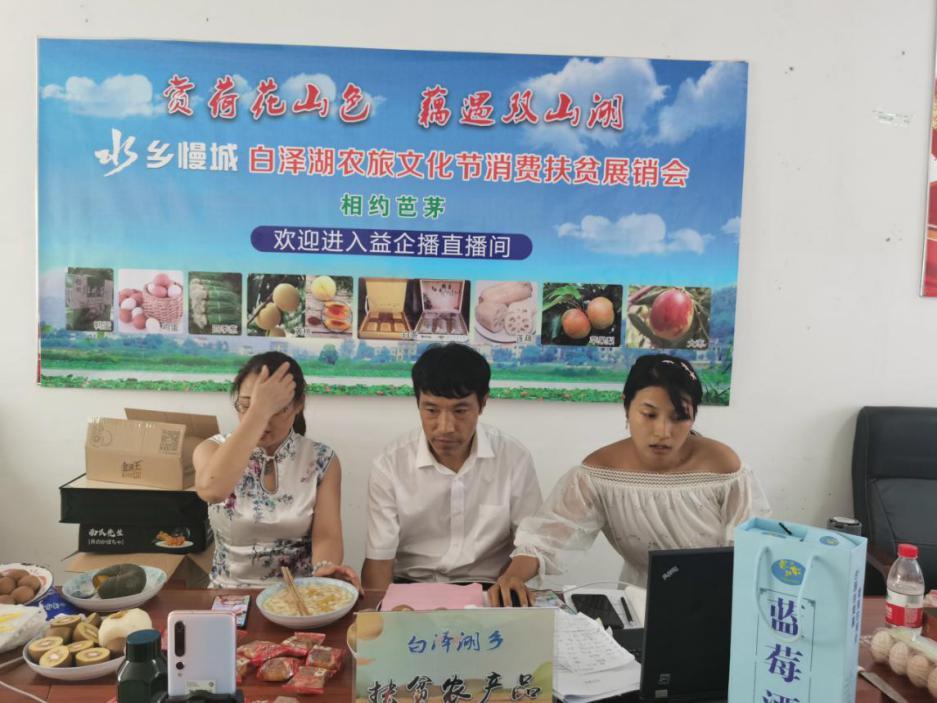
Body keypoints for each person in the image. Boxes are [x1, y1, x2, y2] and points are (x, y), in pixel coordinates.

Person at [489, 353, 770, 606]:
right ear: (626, 407)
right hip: (640, 603)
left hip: (720, 603)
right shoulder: (599, 473)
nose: (662, 431)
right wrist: (514, 576)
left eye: (679, 417)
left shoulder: (723, 469)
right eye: (649, 414)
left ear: (694, 415)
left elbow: (752, 551)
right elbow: (545, 539)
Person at [362, 343, 542, 589]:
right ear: (418, 403)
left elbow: (533, 541)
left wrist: (512, 579)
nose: (445, 427)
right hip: (413, 586)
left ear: (483, 403)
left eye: (460, 411)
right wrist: (380, 609)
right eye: (431, 410)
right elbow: (380, 559)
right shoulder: (390, 465)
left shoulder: (513, 458)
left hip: (489, 586)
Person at [194, 351, 360, 590]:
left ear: (298, 404)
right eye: (246, 406)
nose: (264, 420)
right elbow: (212, 490)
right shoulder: (211, 449)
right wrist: (259, 411)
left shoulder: (322, 459)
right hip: (228, 594)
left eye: (277, 408)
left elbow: (326, 535)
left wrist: (324, 569)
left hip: (299, 594)